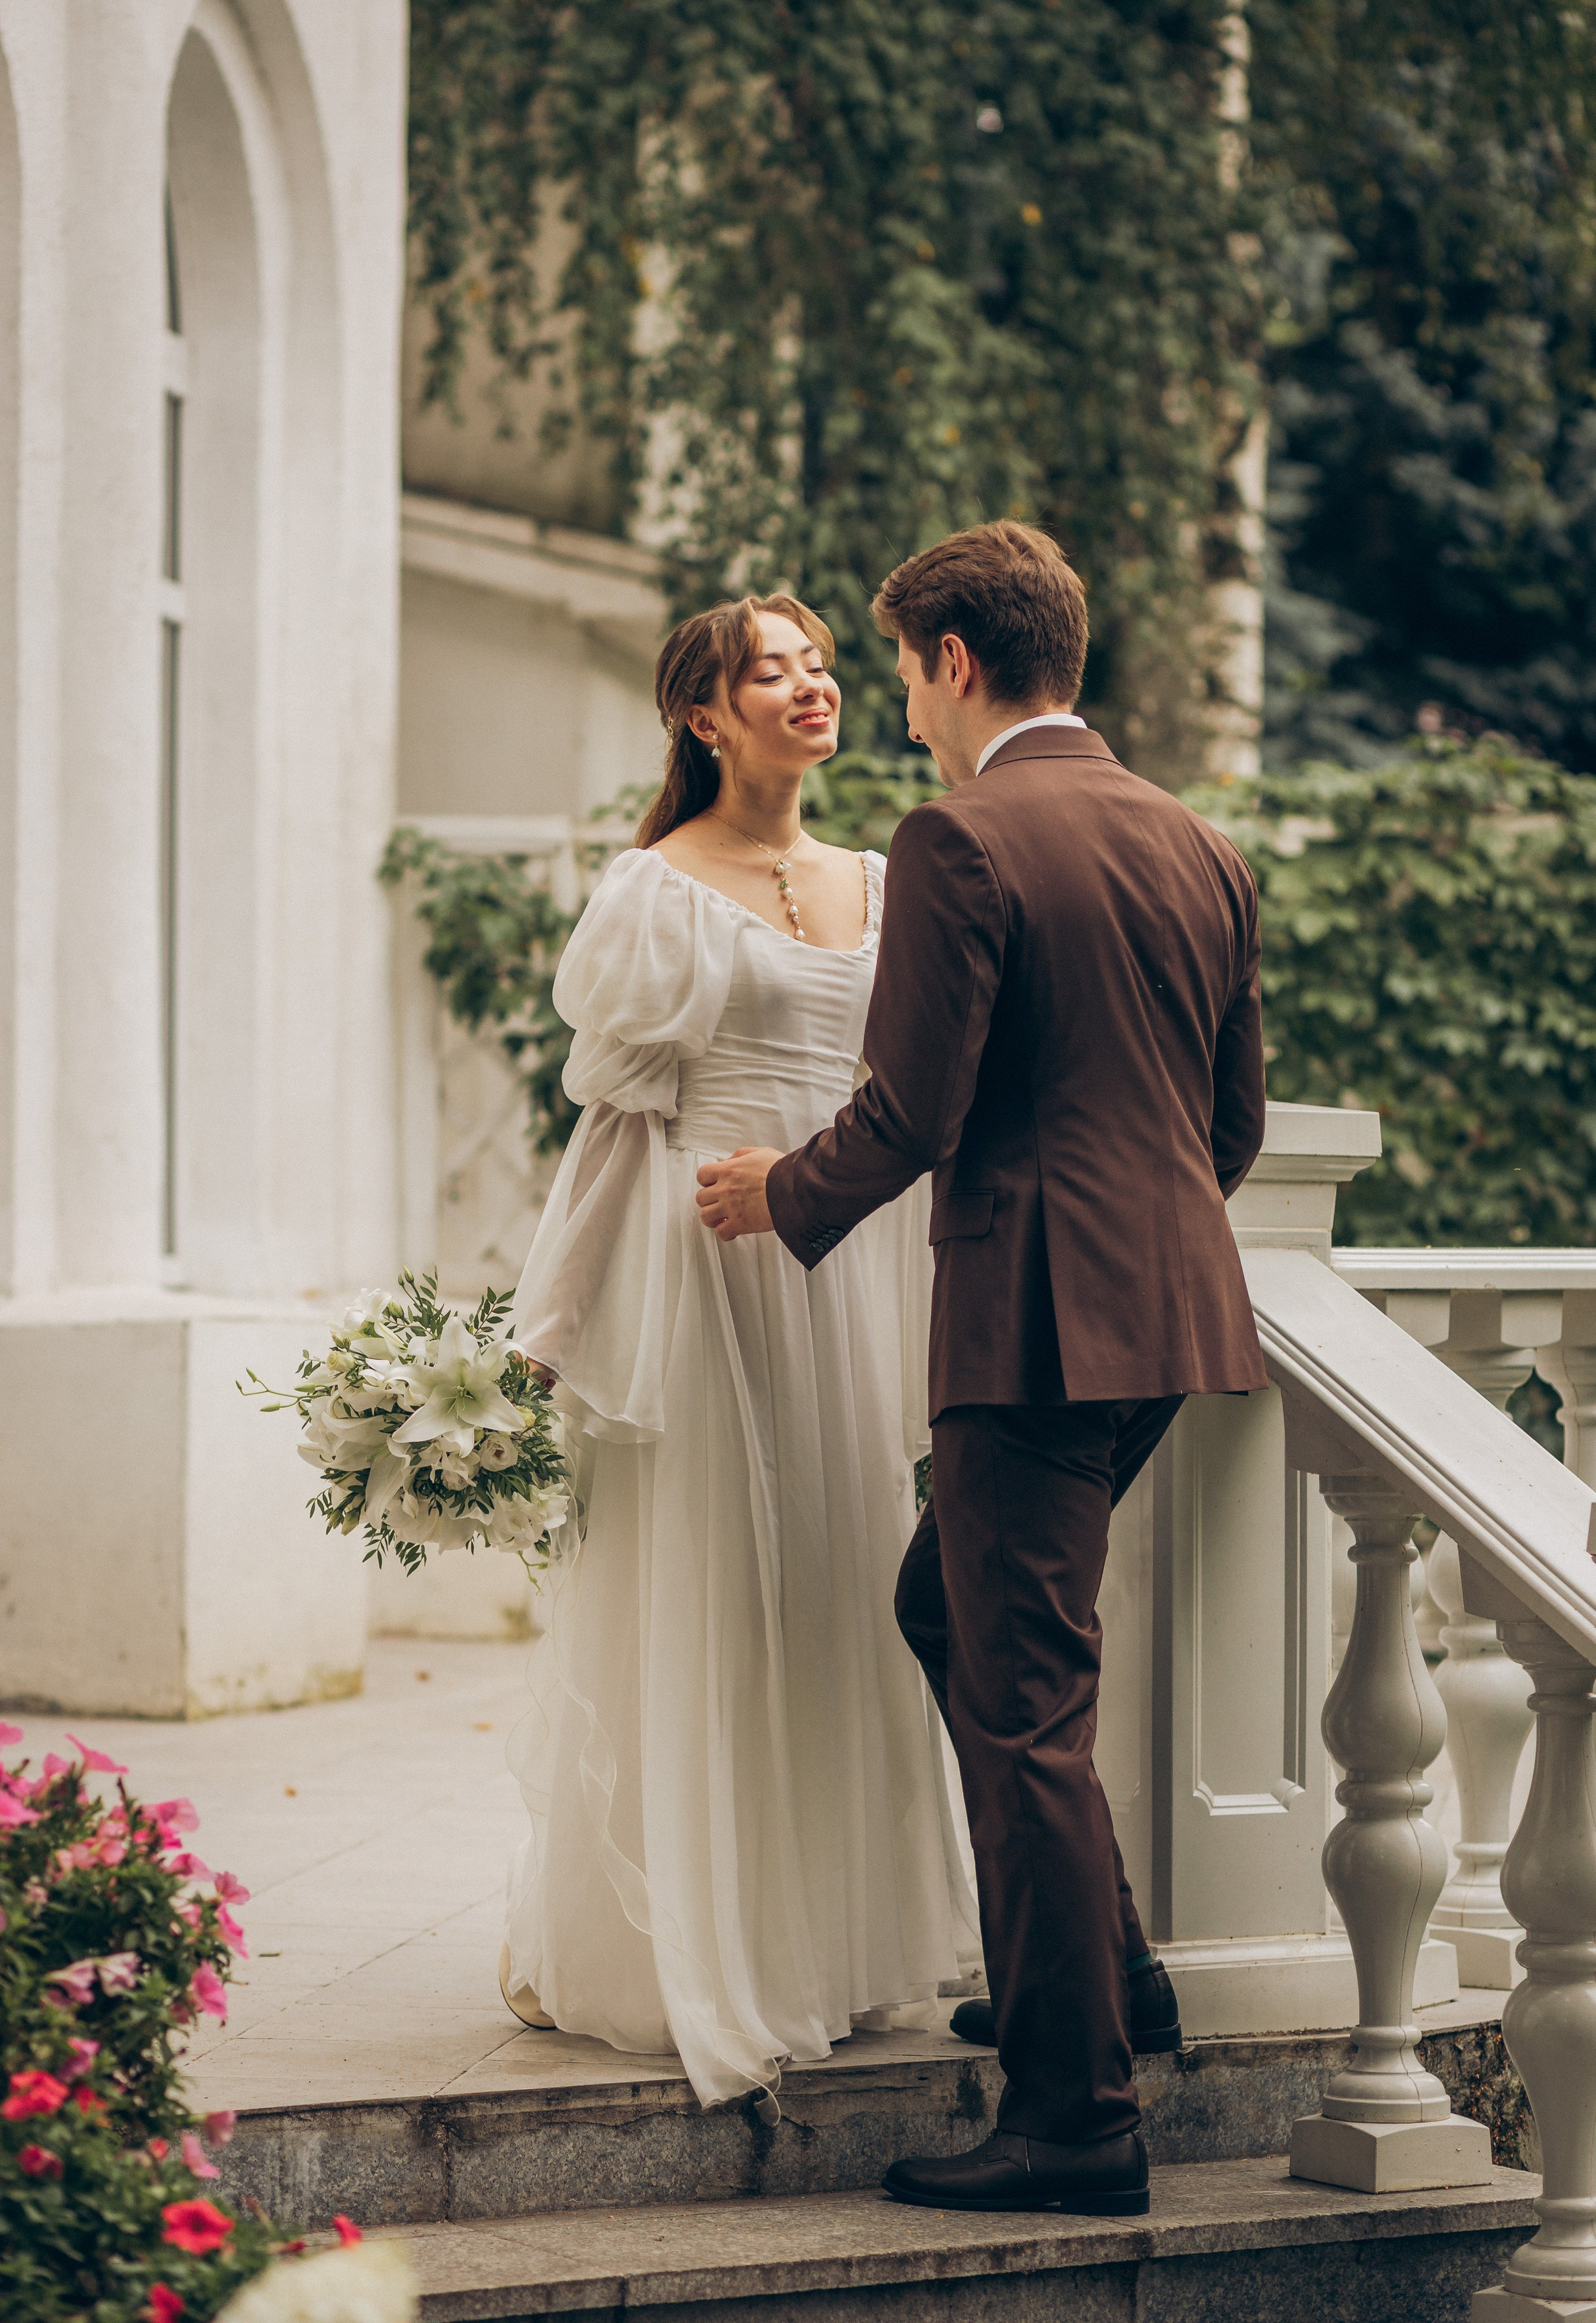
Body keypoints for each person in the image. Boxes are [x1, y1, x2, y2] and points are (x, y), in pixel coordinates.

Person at [695, 520, 1267, 2214]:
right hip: (1170, 1320)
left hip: (1028, 1329)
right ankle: (1112, 1984)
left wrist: (775, 1191)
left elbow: (916, 1109)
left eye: (900, 674)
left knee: (1025, 1711)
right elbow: (1225, 1126)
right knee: (951, 1607)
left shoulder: (955, 836)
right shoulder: (1202, 839)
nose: (905, 713)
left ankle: (1077, 2119)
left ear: (951, 660)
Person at [503, 592, 980, 2109]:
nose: (814, 685)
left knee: (846, 1584)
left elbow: (910, 1097)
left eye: (825, 662)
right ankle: (706, 1949)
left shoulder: (887, 876)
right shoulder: (651, 887)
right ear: (703, 715)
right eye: (774, 669)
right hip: (703, 1267)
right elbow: (613, 1130)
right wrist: (549, 1320)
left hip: (837, 1262)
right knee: (727, 1594)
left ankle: (839, 1944)